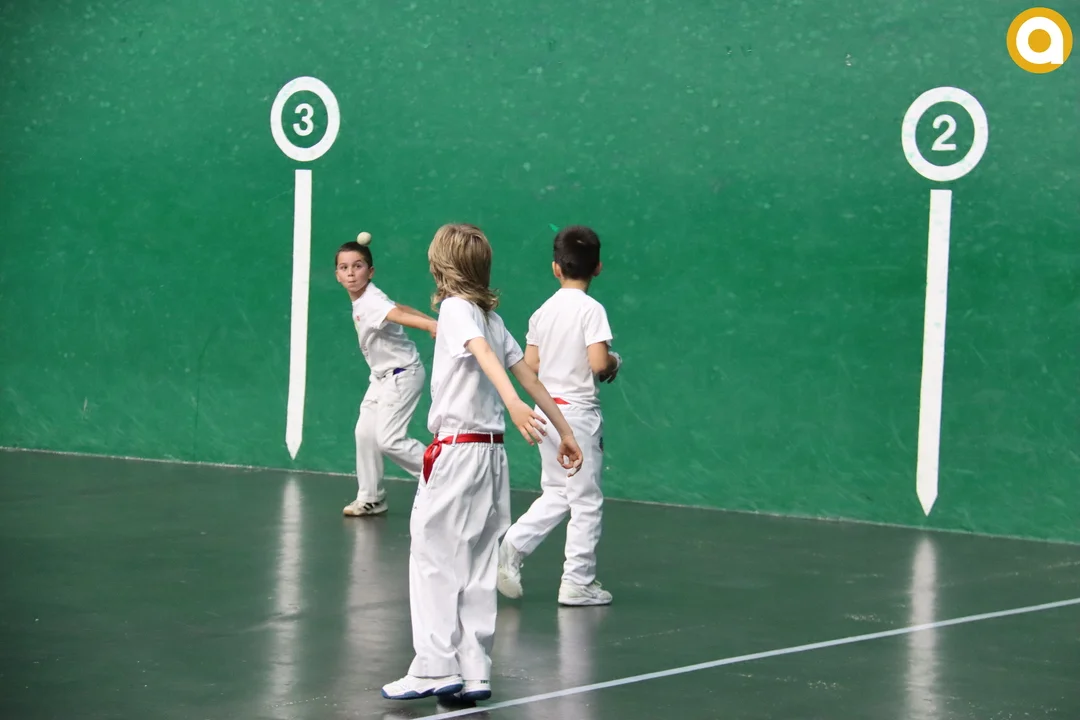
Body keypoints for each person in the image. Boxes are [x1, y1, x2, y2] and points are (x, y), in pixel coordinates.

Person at [381, 223, 583, 703]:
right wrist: (565, 431)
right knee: (476, 564)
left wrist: (514, 405)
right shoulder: (491, 317)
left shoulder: (456, 310)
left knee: (432, 556)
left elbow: (487, 357)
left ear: (441, 265)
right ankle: (473, 670)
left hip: (457, 452)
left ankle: (433, 667)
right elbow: (529, 376)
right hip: (491, 455)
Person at [497, 225, 621, 606]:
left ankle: (512, 546)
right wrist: (614, 362)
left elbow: (530, 364)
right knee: (585, 500)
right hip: (578, 417)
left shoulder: (543, 311)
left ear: (555, 268)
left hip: (546, 414)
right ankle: (577, 582)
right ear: (597, 267)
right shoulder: (591, 310)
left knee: (558, 492)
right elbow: (598, 363)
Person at [335, 232, 438, 517]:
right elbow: (399, 307)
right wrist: (432, 321)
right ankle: (372, 497)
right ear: (337, 276)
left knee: (389, 439)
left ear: (370, 271)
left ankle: (444, 477)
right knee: (364, 433)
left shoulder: (370, 302)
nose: (351, 273)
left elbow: (398, 316)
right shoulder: (371, 297)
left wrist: (430, 326)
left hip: (402, 374)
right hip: (381, 378)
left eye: (357, 266)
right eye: (344, 268)